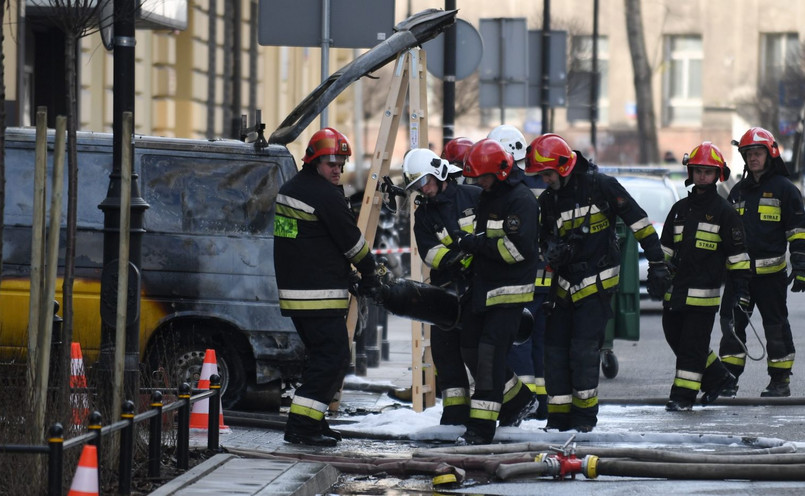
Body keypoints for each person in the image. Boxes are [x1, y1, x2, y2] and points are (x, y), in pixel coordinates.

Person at [526, 133, 665, 432]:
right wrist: (550, 249)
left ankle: (585, 420)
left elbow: (638, 222)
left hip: (597, 283)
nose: (544, 180)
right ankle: (559, 420)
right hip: (563, 286)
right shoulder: (549, 201)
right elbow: (544, 240)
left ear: (562, 167)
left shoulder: (600, 186)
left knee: (582, 352)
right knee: (555, 352)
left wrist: (657, 262)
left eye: (547, 174)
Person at [273, 128, 379, 446]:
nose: (337, 169)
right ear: (314, 161)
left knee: (323, 357)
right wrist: (370, 273)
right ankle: (301, 427)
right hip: (317, 294)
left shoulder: (293, 188)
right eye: (331, 163)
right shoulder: (323, 194)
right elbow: (351, 241)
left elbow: (306, 243)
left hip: (299, 290)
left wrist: (339, 272)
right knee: (332, 358)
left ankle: (312, 420)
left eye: (341, 163)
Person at [452, 138, 540, 444]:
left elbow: (517, 250)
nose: (478, 182)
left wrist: (475, 245)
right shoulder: (489, 196)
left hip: (508, 295)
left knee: (489, 359)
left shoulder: (521, 201)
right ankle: (519, 400)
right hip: (483, 290)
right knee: (469, 348)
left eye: (483, 176)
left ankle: (480, 430)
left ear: (500, 171)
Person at [659, 142, 751, 411]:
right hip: (675, 292)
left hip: (703, 296)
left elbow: (738, 257)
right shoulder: (678, 209)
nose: (702, 176)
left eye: (708, 172)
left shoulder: (725, 213)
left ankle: (682, 397)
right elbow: (665, 249)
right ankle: (718, 378)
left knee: (691, 346)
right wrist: (658, 272)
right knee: (674, 337)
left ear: (717, 175)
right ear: (691, 172)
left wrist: (742, 291)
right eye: (698, 170)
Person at [718, 127, 805, 397]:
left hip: (771, 277)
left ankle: (780, 381)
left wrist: (801, 268)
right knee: (731, 325)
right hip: (739, 276)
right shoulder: (738, 192)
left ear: (770, 154)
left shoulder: (785, 190)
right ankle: (728, 380)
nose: (753, 158)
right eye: (748, 154)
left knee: (775, 326)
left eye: (757, 153)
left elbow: (799, 232)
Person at [401, 147, 480, 425]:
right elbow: (429, 253)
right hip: (445, 292)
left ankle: (499, 410)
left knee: (478, 352)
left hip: (477, 290)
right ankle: (454, 415)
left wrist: (476, 258)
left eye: (424, 182)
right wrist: (457, 259)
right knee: (445, 355)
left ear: (438, 172)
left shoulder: (473, 197)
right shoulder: (424, 215)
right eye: (417, 186)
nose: (423, 190)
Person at [487, 124, 549, 421]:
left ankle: (525, 405)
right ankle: (544, 404)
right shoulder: (542, 182)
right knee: (540, 342)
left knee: (518, 342)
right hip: (549, 277)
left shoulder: (512, 190)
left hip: (522, 278)